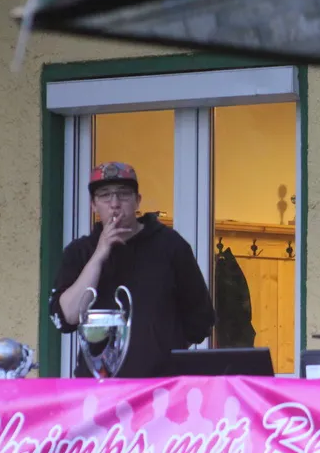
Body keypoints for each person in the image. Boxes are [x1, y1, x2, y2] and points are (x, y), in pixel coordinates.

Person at [49, 161, 216, 378]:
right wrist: (99, 255)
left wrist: (162, 349)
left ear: (138, 201)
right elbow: (67, 317)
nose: (115, 204)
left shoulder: (171, 246)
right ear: (93, 205)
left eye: (123, 194)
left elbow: (201, 320)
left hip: (159, 384)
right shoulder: (79, 252)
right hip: (97, 385)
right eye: (105, 196)